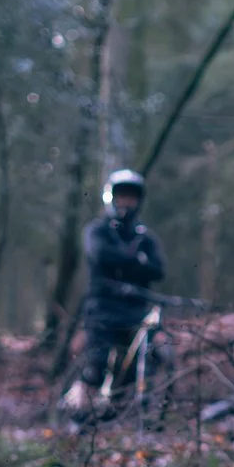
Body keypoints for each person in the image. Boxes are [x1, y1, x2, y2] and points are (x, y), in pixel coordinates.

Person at [73, 169, 165, 403]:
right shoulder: (97, 230)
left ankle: (121, 415)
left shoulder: (145, 236)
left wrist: (127, 261)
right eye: (122, 196)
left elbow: (158, 270)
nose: (126, 202)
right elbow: (100, 255)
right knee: (96, 365)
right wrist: (136, 261)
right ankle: (79, 413)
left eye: (131, 197)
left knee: (138, 365)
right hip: (102, 309)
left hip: (135, 311)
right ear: (112, 198)